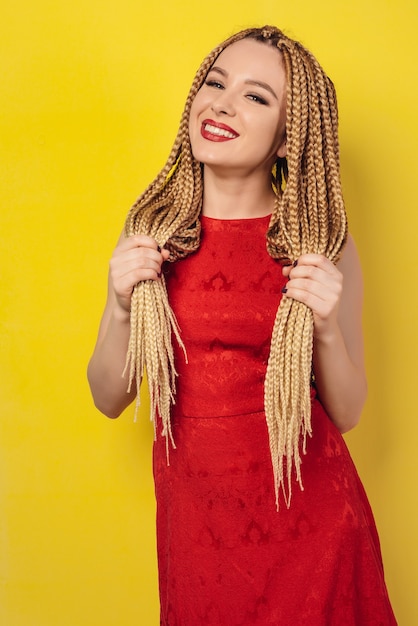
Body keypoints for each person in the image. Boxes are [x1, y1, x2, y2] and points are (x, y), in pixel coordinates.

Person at [88, 25, 397, 625]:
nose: (223, 103)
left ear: (289, 138)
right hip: (199, 537)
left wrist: (327, 326)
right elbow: (108, 397)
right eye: (216, 82)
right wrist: (122, 306)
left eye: (257, 97)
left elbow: (351, 410)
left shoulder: (317, 244)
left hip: (315, 530)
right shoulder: (151, 237)